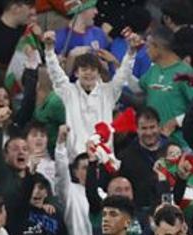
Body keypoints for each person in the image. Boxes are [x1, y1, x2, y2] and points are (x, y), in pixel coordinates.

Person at [42, 28, 140, 160]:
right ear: (76, 73)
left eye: (93, 70)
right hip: (76, 160)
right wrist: (49, 50)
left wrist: (131, 52)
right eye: (84, 69)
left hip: (104, 160)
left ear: (99, 73)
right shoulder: (68, 91)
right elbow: (55, 73)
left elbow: (123, 74)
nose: (89, 73)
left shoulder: (108, 92)